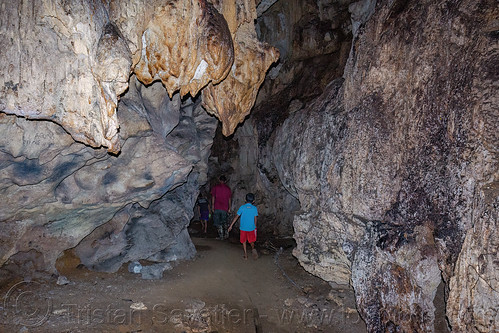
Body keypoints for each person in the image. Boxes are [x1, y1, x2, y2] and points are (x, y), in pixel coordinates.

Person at [228, 193, 258, 260]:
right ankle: (253, 248)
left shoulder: (242, 207)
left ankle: (246, 255)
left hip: (243, 228)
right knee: (251, 241)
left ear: (245, 200)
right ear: (253, 201)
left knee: (243, 241)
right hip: (251, 228)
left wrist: (231, 225)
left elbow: (236, 217)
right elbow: (255, 218)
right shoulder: (254, 208)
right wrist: (255, 226)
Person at [210, 175, 232, 240]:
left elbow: (213, 197)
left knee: (218, 222)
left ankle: (221, 235)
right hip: (225, 208)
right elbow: (229, 199)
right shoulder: (228, 189)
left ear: (219, 180)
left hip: (217, 207)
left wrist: (212, 206)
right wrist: (229, 207)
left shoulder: (215, 187)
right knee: (224, 221)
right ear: (225, 181)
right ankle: (226, 234)